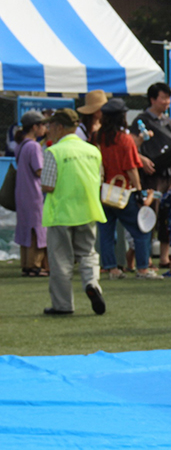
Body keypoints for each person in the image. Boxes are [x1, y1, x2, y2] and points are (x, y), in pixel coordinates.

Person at [39, 109, 107, 316]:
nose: (48, 129)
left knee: (61, 260)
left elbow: (48, 185)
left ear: (59, 127)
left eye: (50, 126)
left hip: (61, 213)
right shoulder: (93, 150)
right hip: (88, 210)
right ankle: (92, 283)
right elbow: (100, 178)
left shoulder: (54, 152)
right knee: (88, 254)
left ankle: (63, 305)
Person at [95, 98, 160, 279]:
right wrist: (139, 190)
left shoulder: (98, 138)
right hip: (124, 192)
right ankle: (142, 268)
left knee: (107, 232)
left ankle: (111, 268)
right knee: (140, 230)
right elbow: (131, 168)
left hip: (103, 191)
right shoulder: (124, 139)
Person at [131, 82, 171, 269]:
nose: (167, 102)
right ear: (152, 99)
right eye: (163, 98)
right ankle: (145, 258)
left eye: (169, 98)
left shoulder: (168, 121)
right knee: (149, 215)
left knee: (167, 216)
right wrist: (142, 159)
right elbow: (130, 149)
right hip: (150, 176)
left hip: (169, 175)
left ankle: (164, 258)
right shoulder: (141, 121)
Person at [13, 111, 48, 277]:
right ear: (35, 127)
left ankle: (27, 264)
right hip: (34, 193)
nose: (45, 128)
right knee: (37, 230)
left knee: (26, 228)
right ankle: (35, 265)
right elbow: (40, 170)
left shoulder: (20, 145)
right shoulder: (34, 146)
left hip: (21, 192)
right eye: (42, 125)